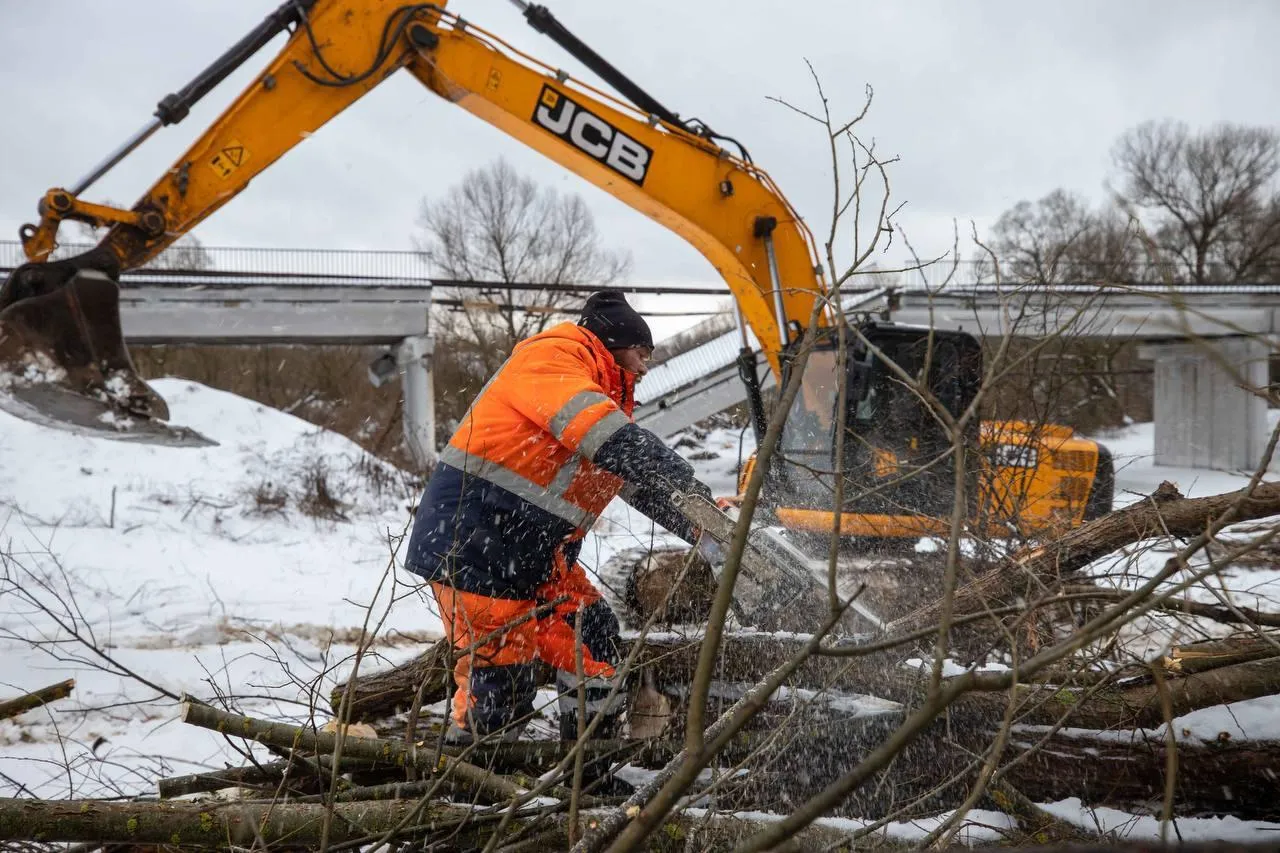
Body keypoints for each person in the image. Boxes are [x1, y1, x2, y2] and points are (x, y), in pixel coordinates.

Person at [405, 290, 711, 745]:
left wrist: (705, 520)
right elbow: (613, 441)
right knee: (501, 678)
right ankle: (472, 783)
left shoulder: (600, 403)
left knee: (594, 639)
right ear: (612, 342)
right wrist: (679, 476)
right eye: (641, 353)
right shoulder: (552, 360)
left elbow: (639, 482)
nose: (646, 367)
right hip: (476, 549)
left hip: (536, 561)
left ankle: (590, 762)